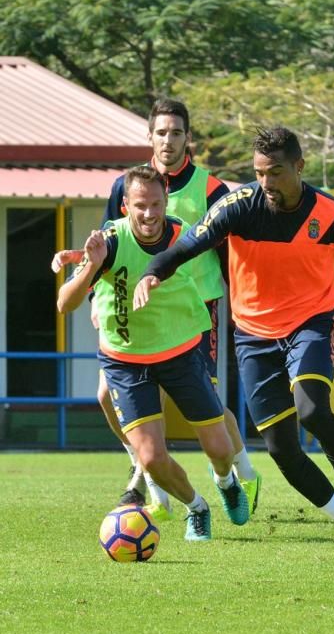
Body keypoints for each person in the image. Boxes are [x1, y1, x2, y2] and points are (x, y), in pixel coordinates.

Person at [132, 126, 334, 557]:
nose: (267, 183)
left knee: (313, 409)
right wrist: (153, 271)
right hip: (253, 337)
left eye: (276, 172)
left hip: (310, 324)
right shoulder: (237, 208)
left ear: (299, 166)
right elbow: (187, 245)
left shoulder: (332, 214)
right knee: (281, 448)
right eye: (259, 173)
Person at [52, 97, 261, 519]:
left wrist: (239, 306)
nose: (168, 140)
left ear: (189, 139)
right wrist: (95, 298)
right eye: (161, 132)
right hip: (132, 317)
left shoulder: (212, 189)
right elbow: (108, 245)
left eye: (177, 132)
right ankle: (150, 477)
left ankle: (242, 472)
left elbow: (227, 253)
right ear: (149, 137)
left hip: (194, 310)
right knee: (107, 394)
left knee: (208, 410)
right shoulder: (126, 186)